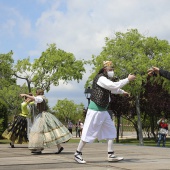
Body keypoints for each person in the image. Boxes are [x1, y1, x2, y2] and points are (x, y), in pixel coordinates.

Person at [74, 61, 136, 164]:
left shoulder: (105, 79)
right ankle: (77, 153)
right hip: (95, 111)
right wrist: (127, 79)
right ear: (105, 70)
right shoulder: (101, 78)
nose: (112, 72)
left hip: (103, 111)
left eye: (112, 70)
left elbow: (111, 90)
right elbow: (112, 86)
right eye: (110, 70)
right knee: (88, 133)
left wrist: (122, 92)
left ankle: (111, 154)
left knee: (111, 131)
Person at [20, 89, 72, 154]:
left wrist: (25, 95)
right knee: (49, 132)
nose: (35, 94)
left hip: (43, 116)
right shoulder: (42, 97)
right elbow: (35, 98)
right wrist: (30, 96)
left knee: (39, 131)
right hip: (44, 115)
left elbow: (35, 98)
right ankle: (58, 147)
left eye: (36, 92)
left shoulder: (40, 98)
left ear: (38, 93)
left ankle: (39, 149)